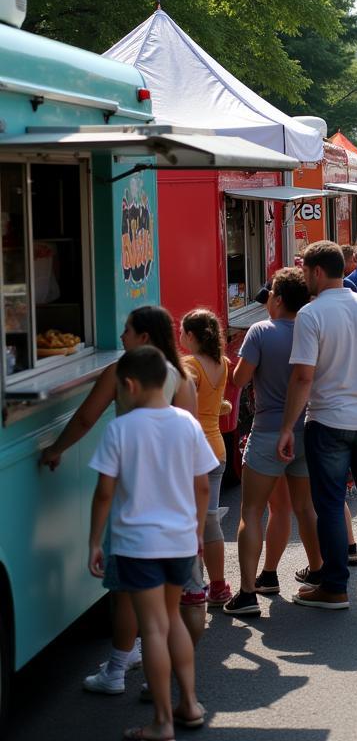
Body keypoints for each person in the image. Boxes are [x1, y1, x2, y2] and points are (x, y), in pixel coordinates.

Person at [41, 306, 198, 695]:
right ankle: (171, 690)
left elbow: (84, 419)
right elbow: (191, 446)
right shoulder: (182, 377)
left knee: (127, 590)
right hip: (176, 506)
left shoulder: (122, 373)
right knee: (170, 606)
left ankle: (116, 669)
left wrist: (55, 450)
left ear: (144, 337)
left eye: (127, 330)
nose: (122, 336)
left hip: (134, 503)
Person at [88, 347, 215, 739]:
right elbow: (203, 485)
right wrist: (195, 531)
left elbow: (105, 493)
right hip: (180, 541)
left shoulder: (121, 429)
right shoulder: (187, 425)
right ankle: (189, 703)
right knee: (171, 618)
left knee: (153, 629)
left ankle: (162, 722)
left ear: (128, 385)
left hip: (136, 544)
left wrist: (95, 541)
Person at [277, 241, 357, 609]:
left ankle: (334, 586)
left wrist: (287, 426)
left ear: (317, 272)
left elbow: (302, 377)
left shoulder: (311, 315)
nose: (303, 279)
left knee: (330, 504)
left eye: (304, 272)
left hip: (328, 420)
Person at [225, 268, 325, 617]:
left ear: (278, 299)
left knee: (252, 511)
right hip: (305, 429)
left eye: (269, 296)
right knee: (302, 508)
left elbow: (239, 379)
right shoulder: (310, 330)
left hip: (268, 429)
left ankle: (248, 591)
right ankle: (317, 573)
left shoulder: (260, 332)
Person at [179, 308, 232, 606]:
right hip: (217, 450)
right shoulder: (221, 363)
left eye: (182, 331)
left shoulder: (189, 365)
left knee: (189, 522)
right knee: (210, 520)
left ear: (191, 335)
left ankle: (193, 587)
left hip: (192, 453)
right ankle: (219, 585)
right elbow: (217, 404)